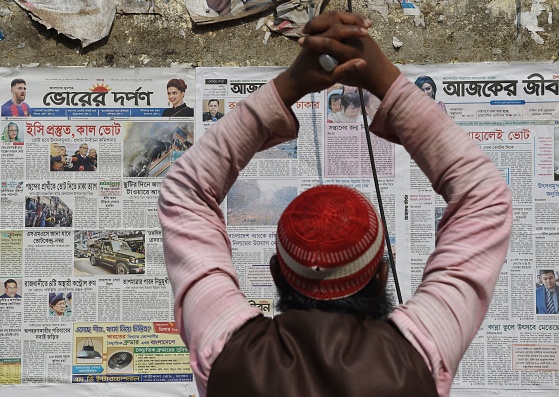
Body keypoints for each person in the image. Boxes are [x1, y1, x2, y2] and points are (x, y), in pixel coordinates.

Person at [158, 11, 512, 397]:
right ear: (380, 278)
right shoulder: (419, 355)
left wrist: (286, 87)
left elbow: (185, 191)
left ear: (278, 275)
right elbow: (483, 196)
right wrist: (386, 81)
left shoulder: (227, 352)